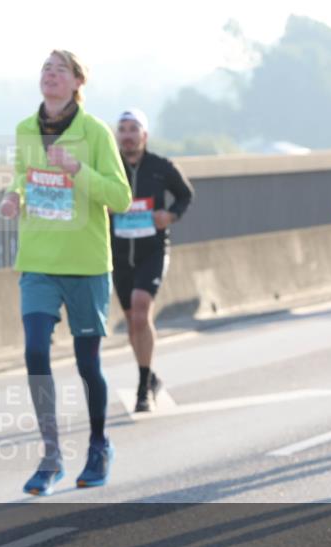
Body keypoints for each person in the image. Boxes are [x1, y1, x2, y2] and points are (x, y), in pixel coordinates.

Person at [0, 50, 132, 495]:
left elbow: (121, 198)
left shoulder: (94, 133)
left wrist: (79, 171)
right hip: (37, 261)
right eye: (45, 69)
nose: (50, 75)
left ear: (78, 82)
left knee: (86, 363)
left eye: (60, 70)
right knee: (36, 352)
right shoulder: (23, 130)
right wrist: (14, 195)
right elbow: (23, 176)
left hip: (86, 264)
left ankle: (98, 445)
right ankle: (51, 455)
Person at [111, 109, 194, 411]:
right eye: (123, 129)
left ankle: (142, 389)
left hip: (152, 251)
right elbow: (90, 196)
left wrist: (170, 215)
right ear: (117, 135)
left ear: (144, 135)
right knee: (133, 322)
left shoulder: (161, 167)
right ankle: (150, 376)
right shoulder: (110, 168)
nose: (128, 135)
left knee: (141, 309)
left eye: (134, 129)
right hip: (119, 255)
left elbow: (186, 195)